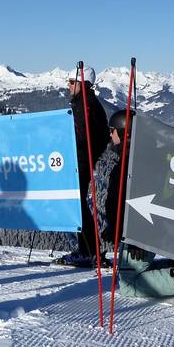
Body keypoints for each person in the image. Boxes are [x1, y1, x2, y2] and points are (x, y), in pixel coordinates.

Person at [102, 109, 174, 305]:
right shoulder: (148, 155)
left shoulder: (131, 164)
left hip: (137, 234)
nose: (110, 134)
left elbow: (135, 200)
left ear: (125, 132)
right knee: (132, 272)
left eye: (112, 130)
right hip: (147, 230)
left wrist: (135, 237)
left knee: (129, 284)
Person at [57, 64, 109, 266]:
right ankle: (89, 249)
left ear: (83, 83)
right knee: (77, 203)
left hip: (80, 161)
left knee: (77, 203)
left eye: (72, 82)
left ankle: (87, 251)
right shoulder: (87, 103)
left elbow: (81, 136)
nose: (69, 86)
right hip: (84, 159)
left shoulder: (84, 105)